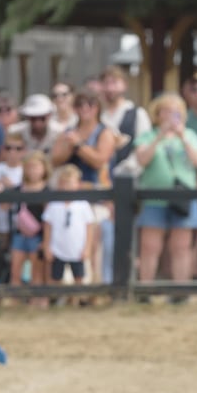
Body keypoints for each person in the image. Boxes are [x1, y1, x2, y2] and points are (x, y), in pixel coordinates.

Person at [131, 92, 197, 288]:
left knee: (181, 247)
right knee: (149, 247)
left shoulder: (190, 134)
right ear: (158, 114)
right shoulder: (147, 136)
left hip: (182, 198)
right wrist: (159, 137)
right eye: (167, 111)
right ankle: (145, 289)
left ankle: (180, 290)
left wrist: (182, 138)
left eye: (176, 112)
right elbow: (142, 160)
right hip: (154, 199)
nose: (172, 115)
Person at [51, 91, 116, 283]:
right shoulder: (68, 132)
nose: (85, 109)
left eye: (90, 104)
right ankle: (72, 290)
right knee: (71, 242)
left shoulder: (104, 132)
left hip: (96, 196)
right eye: (80, 104)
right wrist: (69, 145)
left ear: (97, 108)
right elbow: (55, 159)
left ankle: (95, 287)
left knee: (94, 245)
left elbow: (99, 160)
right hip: (71, 197)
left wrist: (79, 145)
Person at [43, 164, 96, 300]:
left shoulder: (83, 205)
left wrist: (88, 247)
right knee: (56, 275)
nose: (66, 187)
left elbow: (89, 227)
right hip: (58, 247)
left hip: (77, 248)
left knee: (79, 275)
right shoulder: (54, 204)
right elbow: (48, 226)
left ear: (77, 184)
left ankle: (79, 299)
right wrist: (47, 246)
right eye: (63, 183)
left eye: (70, 183)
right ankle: (57, 299)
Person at [12, 151, 51, 302]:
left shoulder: (48, 191)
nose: (32, 170)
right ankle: (14, 300)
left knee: (37, 272)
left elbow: (49, 218)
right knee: (15, 269)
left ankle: (37, 302)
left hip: (38, 236)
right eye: (29, 167)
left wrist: (45, 240)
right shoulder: (18, 189)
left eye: (36, 167)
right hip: (19, 234)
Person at [100, 65, 151, 174]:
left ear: (124, 85)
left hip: (130, 177)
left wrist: (125, 169)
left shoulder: (138, 113)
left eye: (114, 82)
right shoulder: (99, 116)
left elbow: (144, 145)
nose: (110, 88)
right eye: (106, 83)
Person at [0, 134, 26, 251]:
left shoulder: (25, 170)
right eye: (8, 148)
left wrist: (9, 186)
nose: (12, 152)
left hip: (19, 224)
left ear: (24, 151)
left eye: (17, 149)